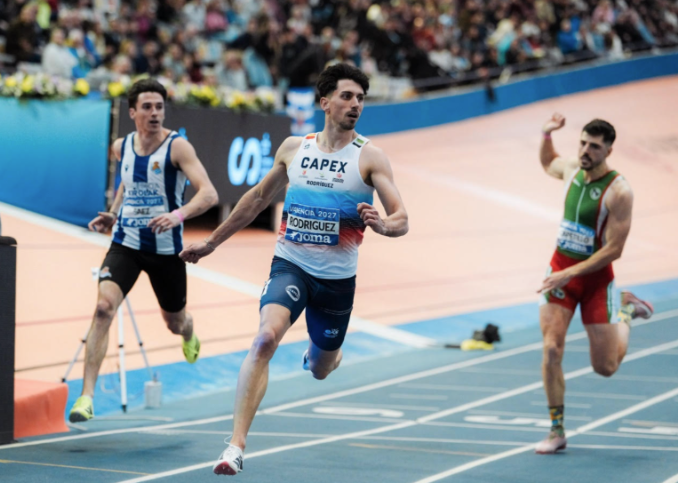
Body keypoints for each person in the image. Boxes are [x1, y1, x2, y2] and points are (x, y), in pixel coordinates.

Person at [179, 63, 409, 475]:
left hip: (336, 281)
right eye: (346, 96)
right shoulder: (293, 149)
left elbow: (401, 218)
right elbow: (255, 200)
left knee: (321, 369)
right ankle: (235, 446)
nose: (355, 104)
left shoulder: (369, 157)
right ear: (325, 103)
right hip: (291, 265)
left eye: (360, 98)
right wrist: (211, 243)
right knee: (264, 339)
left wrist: (382, 224)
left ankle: (322, 354)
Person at [68, 79, 219, 422]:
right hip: (126, 243)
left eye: (159, 107)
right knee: (103, 309)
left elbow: (209, 193)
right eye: (147, 107)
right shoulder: (121, 146)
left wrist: (177, 215)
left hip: (165, 252)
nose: (154, 113)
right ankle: (86, 397)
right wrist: (114, 213)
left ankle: (189, 330)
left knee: (174, 322)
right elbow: (127, 180)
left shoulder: (177, 147)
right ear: (132, 112)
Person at [536, 113, 654, 454]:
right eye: (583, 143)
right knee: (551, 349)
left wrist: (572, 272)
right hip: (560, 273)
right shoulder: (572, 169)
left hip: (595, 282)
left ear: (609, 151)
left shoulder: (619, 191)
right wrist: (546, 135)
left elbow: (614, 250)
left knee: (605, 367)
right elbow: (548, 163)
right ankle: (557, 430)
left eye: (595, 147)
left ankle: (626, 311)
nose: (586, 151)